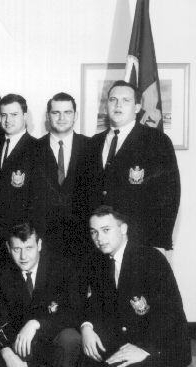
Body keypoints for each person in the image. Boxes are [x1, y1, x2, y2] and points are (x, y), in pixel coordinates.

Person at [82, 206, 190, 367]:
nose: (99, 238)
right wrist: (87, 327)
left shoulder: (151, 259)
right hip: (127, 339)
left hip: (162, 344)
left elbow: (169, 314)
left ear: (123, 228)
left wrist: (144, 349)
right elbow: (95, 303)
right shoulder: (101, 261)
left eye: (106, 230)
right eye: (94, 232)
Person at [0, 223, 82, 367]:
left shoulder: (62, 268)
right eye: (17, 249)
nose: (23, 256)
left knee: (71, 337)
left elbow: (74, 313)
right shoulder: (0, 274)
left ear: (39, 245)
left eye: (29, 248)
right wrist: (7, 354)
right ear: (8, 249)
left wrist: (37, 323)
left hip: (50, 346)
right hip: (20, 348)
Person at [80, 80, 180, 252]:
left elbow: (169, 195)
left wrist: (159, 242)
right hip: (97, 244)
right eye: (113, 100)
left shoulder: (156, 141)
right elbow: (82, 196)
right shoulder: (93, 144)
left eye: (125, 100)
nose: (118, 105)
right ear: (106, 106)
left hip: (140, 241)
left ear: (136, 107)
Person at [31, 93, 91, 258]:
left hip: (83, 240)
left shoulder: (92, 147)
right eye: (56, 112)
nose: (62, 117)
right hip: (44, 239)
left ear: (76, 115)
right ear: (48, 116)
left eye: (68, 112)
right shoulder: (32, 149)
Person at [0, 94, 40, 263]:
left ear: (25, 116)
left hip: (21, 239)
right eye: (3, 115)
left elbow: (37, 198)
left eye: (14, 115)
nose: (8, 120)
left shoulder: (37, 149)